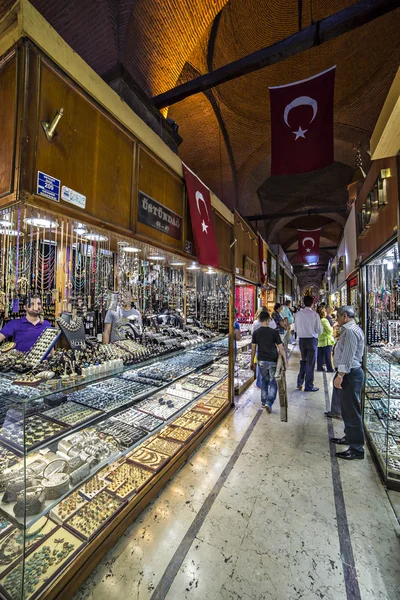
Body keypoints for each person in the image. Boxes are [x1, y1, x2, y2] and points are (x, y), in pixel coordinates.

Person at [330, 306, 365, 460]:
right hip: (349, 374)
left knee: (352, 412)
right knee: (347, 410)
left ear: (344, 316)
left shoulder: (350, 331)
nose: (336, 319)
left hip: (350, 374)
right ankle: (349, 438)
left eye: (337, 316)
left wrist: (341, 374)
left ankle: (357, 449)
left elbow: (348, 356)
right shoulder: (350, 329)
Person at [250, 309, 287, 413]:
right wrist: (285, 361)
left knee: (264, 381)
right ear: (268, 320)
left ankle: (263, 402)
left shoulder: (256, 333)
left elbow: (253, 349)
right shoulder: (274, 333)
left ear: (260, 320)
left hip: (261, 360)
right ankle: (269, 402)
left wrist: (251, 362)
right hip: (272, 360)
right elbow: (281, 348)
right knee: (273, 382)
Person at [294, 296, 323, 392]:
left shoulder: (298, 314)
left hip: (302, 340)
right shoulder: (315, 315)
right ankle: (309, 385)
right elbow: (319, 330)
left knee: (304, 360)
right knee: (310, 363)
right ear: (312, 303)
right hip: (312, 340)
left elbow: (295, 329)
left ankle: (299, 382)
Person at [317, 308, 334, 372]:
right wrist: (332, 329)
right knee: (327, 355)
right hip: (326, 340)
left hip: (319, 339)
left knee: (320, 355)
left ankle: (319, 367)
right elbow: (329, 330)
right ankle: (329, 368)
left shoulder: (317, 320)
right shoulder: (324, 320)